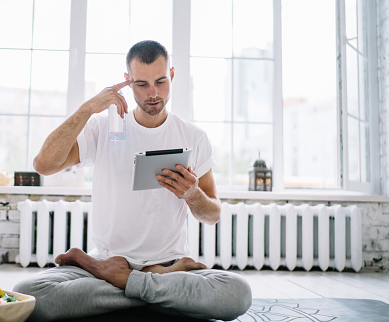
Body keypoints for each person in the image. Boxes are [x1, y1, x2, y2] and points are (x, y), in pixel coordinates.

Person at [14, 40, 252, 321]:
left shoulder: (194, 137)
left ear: (172, 76)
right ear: (127, 82)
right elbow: (44, 165)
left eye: (161, 82)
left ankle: (125, 279)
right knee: (30, 294)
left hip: (159, 265)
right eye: (142, 84)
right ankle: (150, 284)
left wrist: (193, 194)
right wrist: (88, 108)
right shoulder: (102, 129)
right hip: (112, 262)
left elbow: (212, 214)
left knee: (237, 293)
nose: (153, 93)